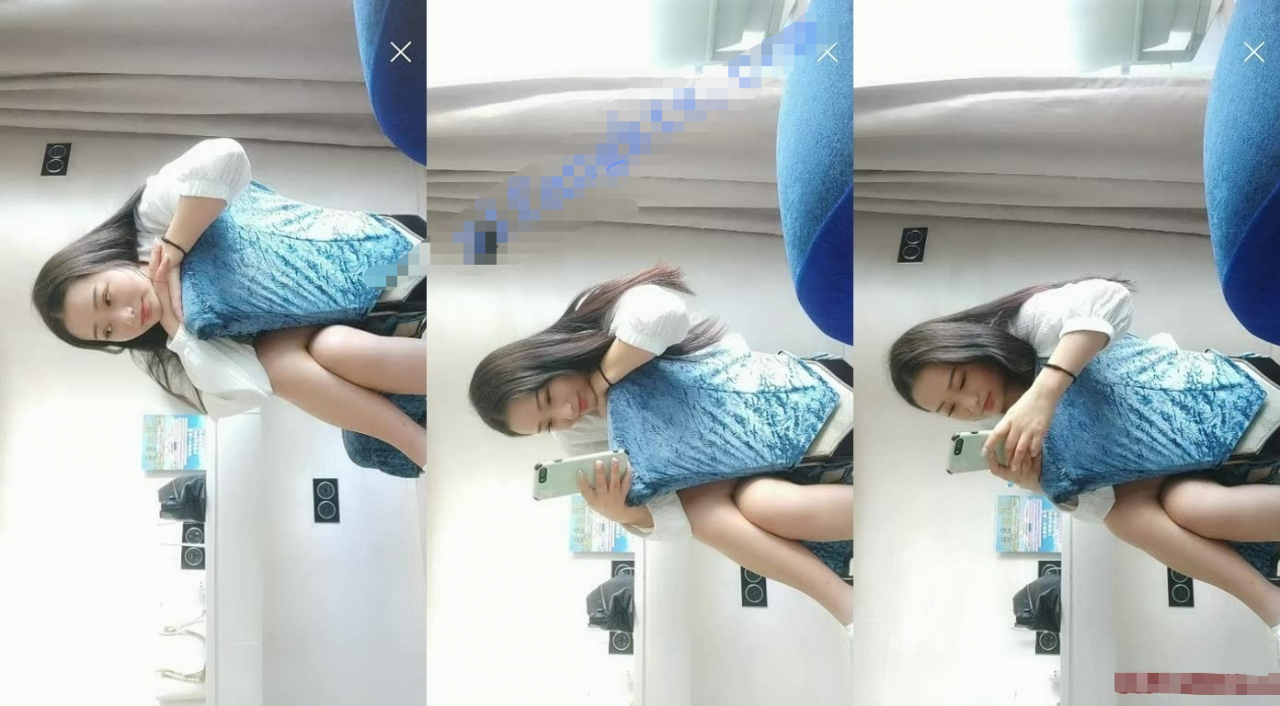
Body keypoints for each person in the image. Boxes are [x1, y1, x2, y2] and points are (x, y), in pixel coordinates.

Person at [888, 277, 1280, 653]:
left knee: (1165, 509)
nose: (971, 404)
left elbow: (1110, 297)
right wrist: (1043, 484)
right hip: (1191, 470)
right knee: (1169, 510)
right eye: (952, 409)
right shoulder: (1016, 437)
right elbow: (1102, 505)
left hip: (1217, 404)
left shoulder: (1028, 328)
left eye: (961, 382)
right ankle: (1272, 606)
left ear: (970, 347)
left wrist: (1046, 391)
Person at [468, 264, 855, 633]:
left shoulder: (594, 315)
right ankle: (850, 606)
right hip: (753, 472)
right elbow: (678, 517)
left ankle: (848, 606)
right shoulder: (576, 438)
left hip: (780, 402)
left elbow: (665, 314)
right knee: (756, 505)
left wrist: (603, 380)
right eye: (549, 423)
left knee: (719, 504)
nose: (567, 413)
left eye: (549, 397)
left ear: (544, 362)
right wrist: (623, 513)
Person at [31, 138, 427, 468]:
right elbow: (248, 389)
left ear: (104, 259)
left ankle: (420, 440)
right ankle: (422, 432)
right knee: (338, 392)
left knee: (304, 355)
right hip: (352, 327)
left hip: (382, 264)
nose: (127, 316)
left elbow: (227, 156)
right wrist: (178, 331)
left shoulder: (151, 218)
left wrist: (174, 246)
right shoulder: (176, 342)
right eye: (108, 330)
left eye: (107, 297)